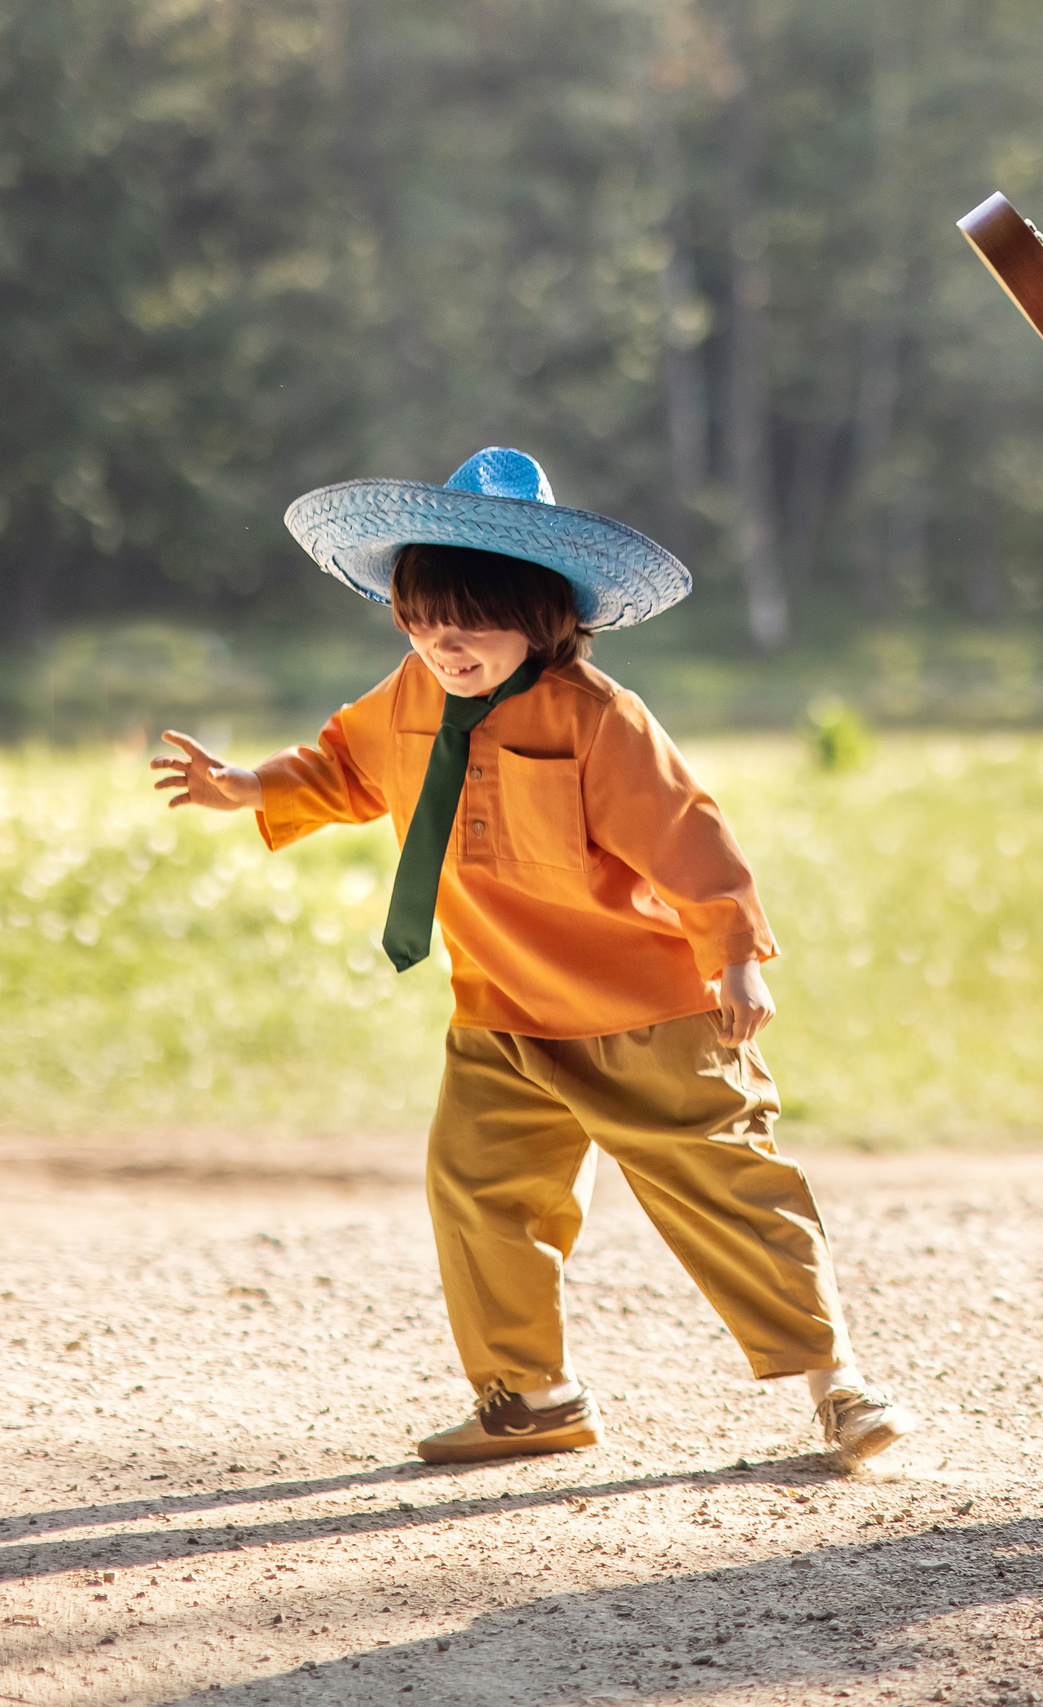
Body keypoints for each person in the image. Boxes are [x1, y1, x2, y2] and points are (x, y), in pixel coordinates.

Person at [151, 447, 913, 1469]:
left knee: (728, 1186)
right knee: (479, 1194)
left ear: (545, 614)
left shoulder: (600, 719)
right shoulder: (409, 695)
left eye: (471, 620)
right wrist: (248, 785)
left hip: (644, 1013)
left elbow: (692, 839)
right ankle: (530, 1398)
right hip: (501, 1012)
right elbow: (344, 765)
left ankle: (839, 1385)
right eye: (421, 618)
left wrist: (734, 960)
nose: (443, 641)